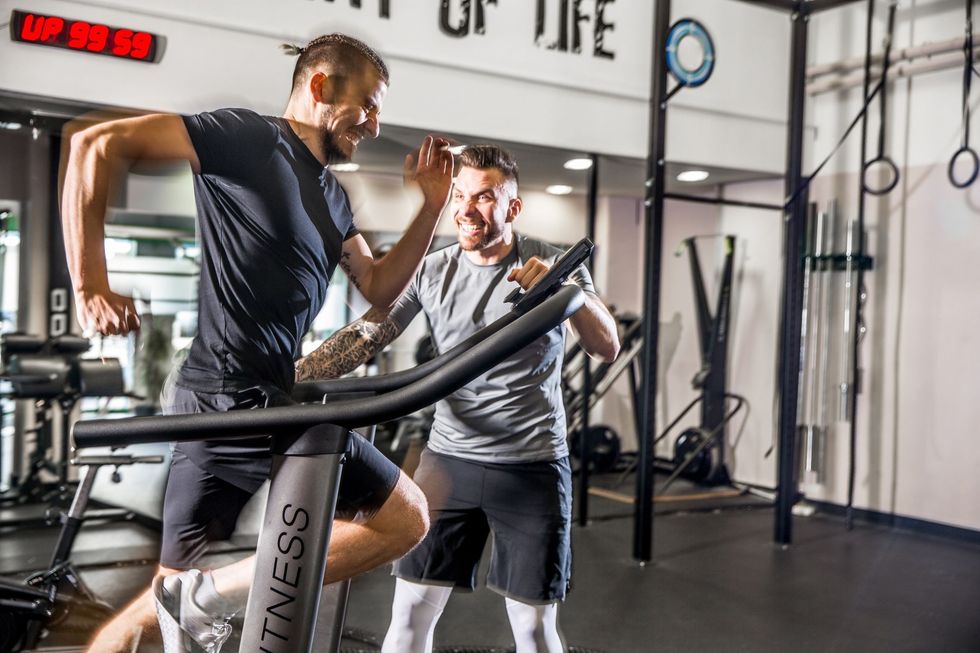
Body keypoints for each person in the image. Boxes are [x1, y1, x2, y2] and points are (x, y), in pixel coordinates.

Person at [60, 34, 454, 653]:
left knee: (165, 595)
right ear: (320, 86)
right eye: (368, 106)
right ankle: (205, 598)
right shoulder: (248, 139)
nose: (375, 127)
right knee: (406, 517)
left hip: (255, 397)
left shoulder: (331, 196)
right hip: (227, 401)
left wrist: (433, 206)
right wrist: (89, 284)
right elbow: (96, 143)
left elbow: (378, 285)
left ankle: (186, 601)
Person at [296, 144, 620, 652]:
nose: (468, 209)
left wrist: (568, 295)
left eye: (485, 197)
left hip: (531, 467)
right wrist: (291, 379)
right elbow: (365, 337)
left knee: (534, 630)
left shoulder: (552, 263)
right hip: (448, 464)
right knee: (406, 621)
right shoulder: (432, 269)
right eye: (460, 196)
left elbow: (606, 346)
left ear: (513, 207)